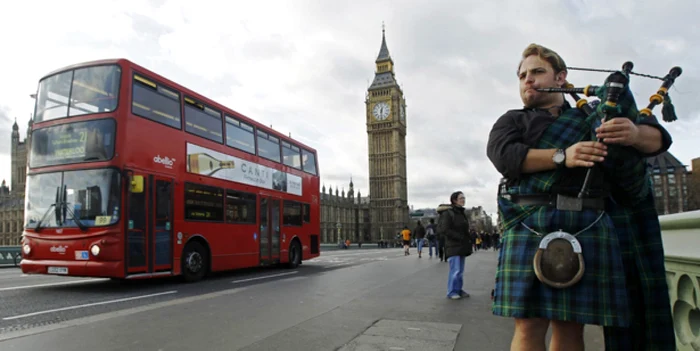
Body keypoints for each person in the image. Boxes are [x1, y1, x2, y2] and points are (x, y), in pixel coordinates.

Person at [486, 43, 675, 350]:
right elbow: (504, 156)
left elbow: (658, 140)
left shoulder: (594, 117)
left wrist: (635, 135)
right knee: (528, 325)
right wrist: (563, 156)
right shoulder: (512, 120)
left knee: (570, 325)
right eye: (522, 76)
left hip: (585, 224)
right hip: (529, 224)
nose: (528, 80)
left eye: (537, 72)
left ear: (561, 77)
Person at [437, 191, 472, 299]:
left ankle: (458, 289)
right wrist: (459, 237)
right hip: (453, 245)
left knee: (460, 271)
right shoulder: (448, 213)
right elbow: (444, 229)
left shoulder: (461, 213)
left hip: (461, 245)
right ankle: (451, 291)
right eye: (461, 198)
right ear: (454, 200)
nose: (463, 200)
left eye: (464, 198)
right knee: (455, 270)